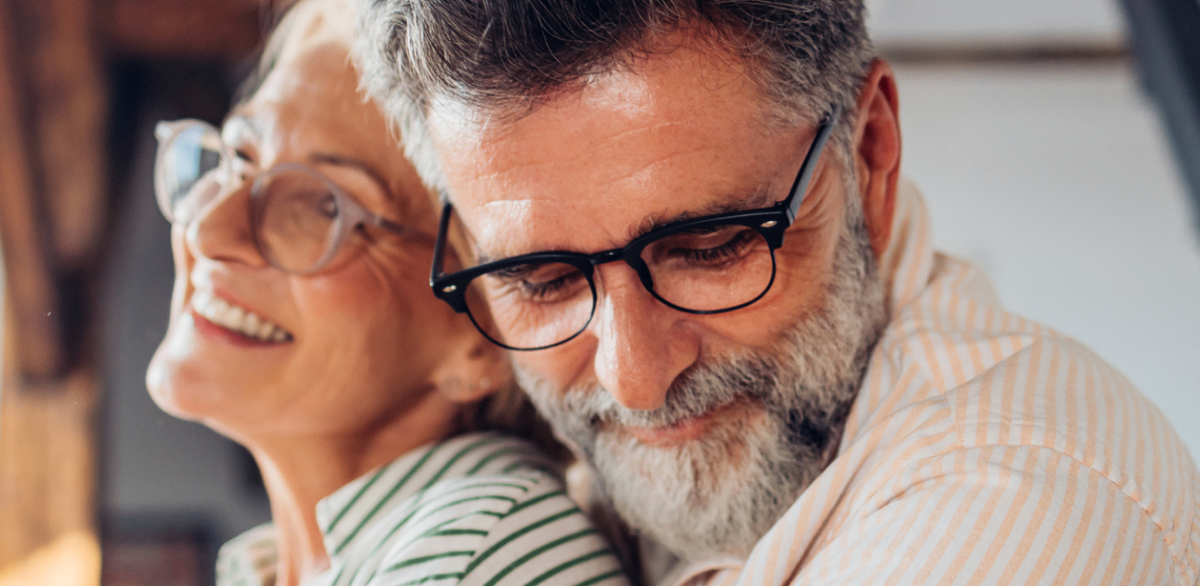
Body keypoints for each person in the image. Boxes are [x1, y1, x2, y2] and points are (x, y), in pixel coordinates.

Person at [355, 1, 1200, 584]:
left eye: (708, 248)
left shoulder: (1011, 504)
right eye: (538, 279)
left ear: (869, 153)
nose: (634, 377)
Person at [144, 2, 632, 585]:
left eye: (323, 205)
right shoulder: (274, 566)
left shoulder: (478, 551)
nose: (208, 230)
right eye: (240, 156)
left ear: (483, 337)